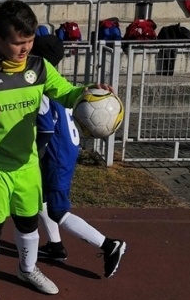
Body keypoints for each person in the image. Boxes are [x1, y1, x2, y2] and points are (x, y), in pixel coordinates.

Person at [0, 0, 90, 300]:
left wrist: (90, 92)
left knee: (29, 225)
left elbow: (67, 92)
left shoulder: (40, 68)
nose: (25, 48)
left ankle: (27, 269)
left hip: (27, 166)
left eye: (29, 41)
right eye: (18, 42)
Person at [32, 36, 127, 278]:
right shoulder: (59, 83)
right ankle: (55, 247)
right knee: (40, 198)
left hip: (54, 153)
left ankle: (109, 245)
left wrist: (30, 155)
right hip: (64, 150)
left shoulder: (41, 85)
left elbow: (45, 128)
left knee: (58, 210)